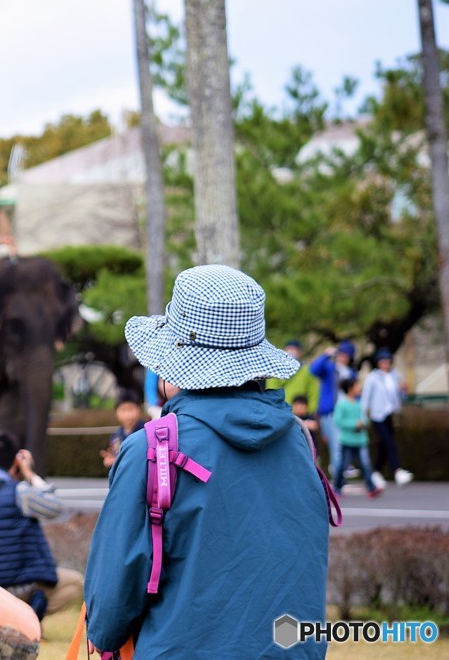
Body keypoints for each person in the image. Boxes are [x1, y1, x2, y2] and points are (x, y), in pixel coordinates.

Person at [84, 265, 330, 658]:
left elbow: (109, 613)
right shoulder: (298, 440)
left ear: (173, 360)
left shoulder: (151, 448)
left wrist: (104, 631)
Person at [0, 434, 83, 620]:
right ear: (15, 462)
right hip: (22, 584)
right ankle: (28, 615)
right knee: (77, 583)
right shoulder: (19, 491)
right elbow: (55, 507)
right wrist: (29, 474)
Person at [361, 348, 413, 488]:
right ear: (378, 363)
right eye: (383, 361)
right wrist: (363, 416)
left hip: (390, 413)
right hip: (377, 415)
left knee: (384, 445)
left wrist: (404, 390)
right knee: (389, 442)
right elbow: (366, 398)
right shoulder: (373, 377)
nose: (385, 364)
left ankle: (376, 472)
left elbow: (400, 397)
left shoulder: (395, 375)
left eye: (387, 361)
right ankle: (397, 470)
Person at [309, 340, 357, 478]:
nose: (343, 357)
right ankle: (338, 479)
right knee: (336, 445)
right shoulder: (330, 368)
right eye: (341, 353)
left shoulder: (351, 373)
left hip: (346, 413)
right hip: (331, 413)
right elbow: (314, 369)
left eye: (346, 354)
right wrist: (326, 355)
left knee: (344, 445)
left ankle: (339, 473)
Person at [333, 378, 382, 499]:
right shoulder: (342, 404)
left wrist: (363, 422)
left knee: (366, 465)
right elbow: (338, 421)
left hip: (361, 441)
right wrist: (355, 424)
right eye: (356, 386)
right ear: (350, 389)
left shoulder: (360, 403)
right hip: (347, 441)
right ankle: (337, 488)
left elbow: (365, 418)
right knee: (342, 466)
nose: (359, 388)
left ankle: (372, 488)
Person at [100, 389, 145, 471]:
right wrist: (111, 461)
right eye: (123, 410)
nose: (127, 414)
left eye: (131, 409)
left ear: (139, 410)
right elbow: (116, 460)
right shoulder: (116, 436)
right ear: (116, 412)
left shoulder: (146, 432)